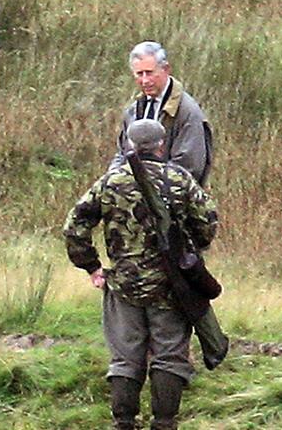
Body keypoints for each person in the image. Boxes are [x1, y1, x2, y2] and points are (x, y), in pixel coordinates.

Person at [64, 119, 218, 429]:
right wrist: (189, 250)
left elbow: (75, 226)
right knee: (170, 357)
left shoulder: (110, 181)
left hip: (123, 285)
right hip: (171, 286)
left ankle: (124, 423)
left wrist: (92, 266)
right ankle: (164, 423)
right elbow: (206, 225)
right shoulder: (180, 180)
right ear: (163, 145)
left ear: (128, 146)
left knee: (125, 359)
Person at [110, 41, 213, 186]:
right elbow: (122, 154)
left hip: (172, 201)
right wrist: (113, 182)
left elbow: (189, 168)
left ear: (166, 69)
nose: (145, 80)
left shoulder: (188, 112)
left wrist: (149, 189)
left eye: (150, 73)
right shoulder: (134, 111)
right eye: (139, 74)